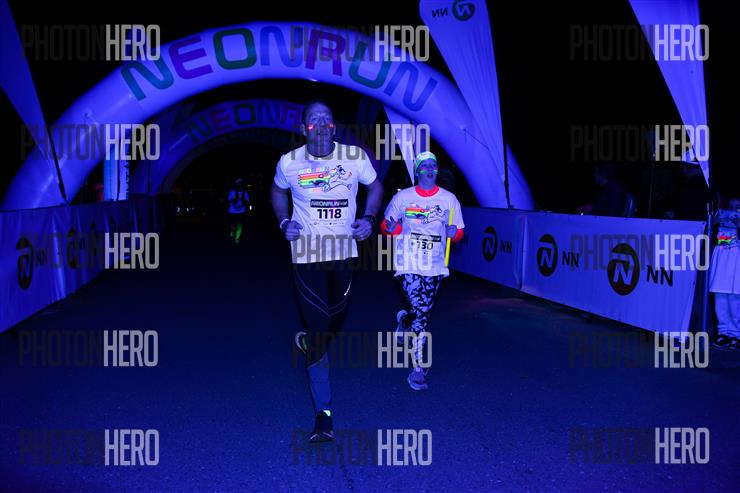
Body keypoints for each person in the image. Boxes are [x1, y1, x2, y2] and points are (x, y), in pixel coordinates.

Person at [271, 99, 383, 442]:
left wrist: (368, 218)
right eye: (313, 120)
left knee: (336, 317)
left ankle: (311, 342)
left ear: (333, 127)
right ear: (304, 128)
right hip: (306, 254)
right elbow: (277, 191)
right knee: (320, 326)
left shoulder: (354, 158)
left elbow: (375, 187)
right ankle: (324, 414)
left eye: (327, 119)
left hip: (344, 253)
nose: (320, 125)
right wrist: (284, 221)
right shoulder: (289, 162)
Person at [380, 151, 464, 390]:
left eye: (433, 165)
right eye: (424, 165)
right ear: (417, 171)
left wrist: (454, 233)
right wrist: (392, 229)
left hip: (434, 266)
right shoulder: (403, 197)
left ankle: (405, 321)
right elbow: (386, 225)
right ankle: (417, 368)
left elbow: (458, 232)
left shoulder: (449, 200)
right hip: (407, 263)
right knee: (423, 313)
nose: (429, 169)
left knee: (420, 311)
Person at [710, 194, 740, 350]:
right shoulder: (720, 212)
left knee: (734, 296)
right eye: (733, 204)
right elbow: (711, 224)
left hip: (736, 255)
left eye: (738, 205)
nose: (735, 207)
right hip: (721, 253)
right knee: (720, 294)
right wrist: (716, 218)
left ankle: (736, 334)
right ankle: (723, 333)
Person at [227, 179, 249, 243]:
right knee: (233, 225)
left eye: (241, 183)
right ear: (236, 184)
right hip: (232, 211)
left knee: (240, 225)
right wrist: (234, 201)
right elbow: (228, 200)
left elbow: (247, 201)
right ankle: (232, 231)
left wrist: (243, 204)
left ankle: (237, 238)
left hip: (241, 211)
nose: (240, 184)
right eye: (238, 183)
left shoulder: (245, 192)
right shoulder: (232, 192)